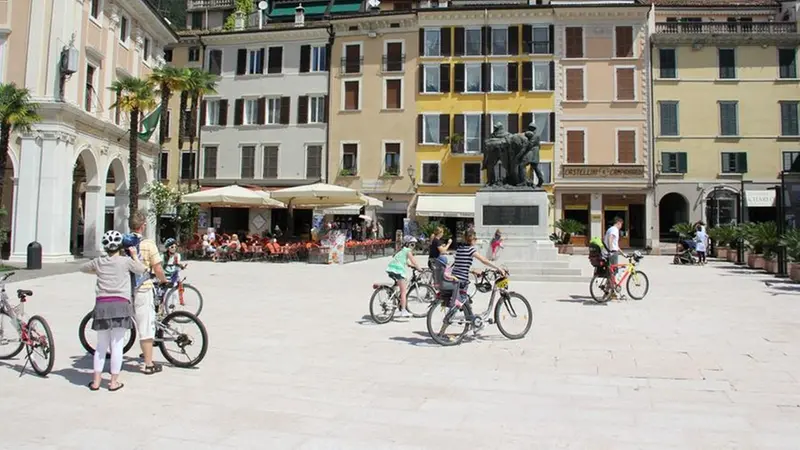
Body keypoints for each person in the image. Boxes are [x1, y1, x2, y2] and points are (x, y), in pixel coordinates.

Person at [80, 230, 146, 392]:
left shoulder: (99, 262)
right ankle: (113, 382)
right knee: (117, 345)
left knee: (101, 345)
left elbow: (82, 267)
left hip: (102, 306)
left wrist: (97, 270)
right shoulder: (126, 261)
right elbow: (141, 269)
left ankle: (96, 381)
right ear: (120, 246)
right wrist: (134, 255)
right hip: (121, 305)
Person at [128, 210, 169, 374]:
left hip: (125, 289)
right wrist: (164, 280)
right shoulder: (148, 244)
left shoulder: (123, 243)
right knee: (146, 325)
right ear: (143, 226)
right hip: (143, 288)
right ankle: (148, 363)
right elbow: (158, 268)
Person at [451, 230, 506, 307]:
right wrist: (498, 268)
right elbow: (484, 260)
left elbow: (460, 264)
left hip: (454, 277)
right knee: (464, 302)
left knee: (463, 301)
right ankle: (466, 312)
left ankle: (465, 311)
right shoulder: (471, 249)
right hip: (462, 280)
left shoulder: (459, 249)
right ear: (472, 240)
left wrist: (472, 270)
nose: (476, 241)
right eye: (475, 239)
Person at [386, 236, 423, 318]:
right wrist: (419, 268)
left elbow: (404, 260)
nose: (413, 246)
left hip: (391, 268)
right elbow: (414, 261)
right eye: (412, 244)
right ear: (408, 244)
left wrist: (410, 265)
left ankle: (391, 292)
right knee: (403, 291)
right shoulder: (407, 251)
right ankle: (403, 311)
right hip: (398, 270)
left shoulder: (402, 250)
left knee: (398, 284)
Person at [603, 216, 627, 297]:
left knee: (612, 272)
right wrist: (610, 250)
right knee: (613, 272)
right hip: (613, 253)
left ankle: (609, 290)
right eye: (621, 224)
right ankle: (610, 291)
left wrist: (623, 253)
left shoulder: (610, 229)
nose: (621, 227)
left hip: (611, 252)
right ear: (618, 223)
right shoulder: (614, 230)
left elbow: (615, 245)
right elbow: (610, 239)